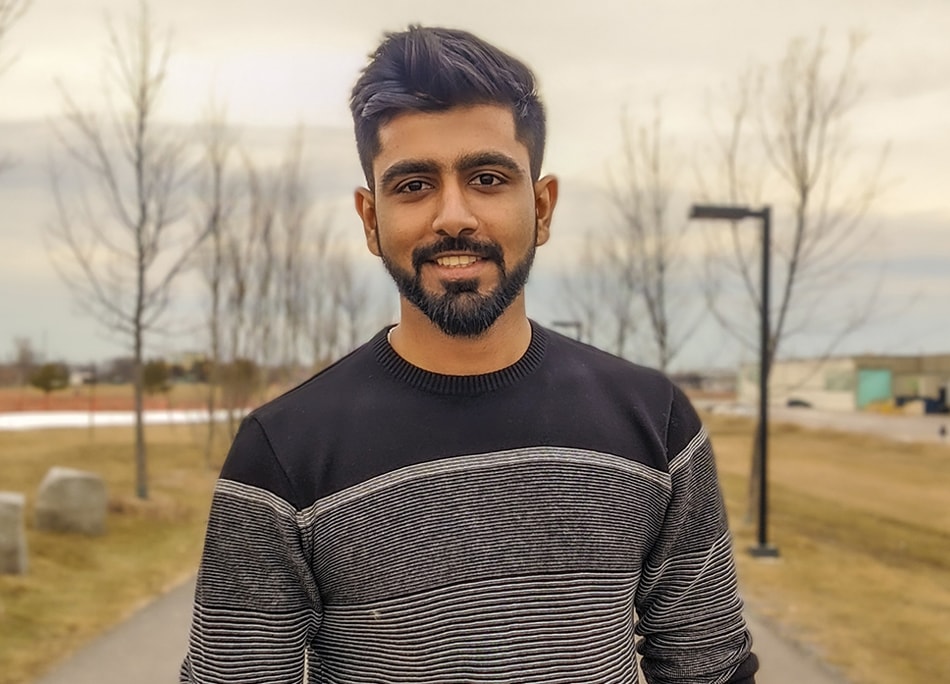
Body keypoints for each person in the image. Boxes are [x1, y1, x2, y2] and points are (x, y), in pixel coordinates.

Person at [180, 25, 758, 684]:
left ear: (541, 207)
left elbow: (707, 665)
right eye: (414, 186)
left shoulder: (655, 423)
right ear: (370, 220)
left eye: (486, 178)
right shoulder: (282, 455)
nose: (453, 216)